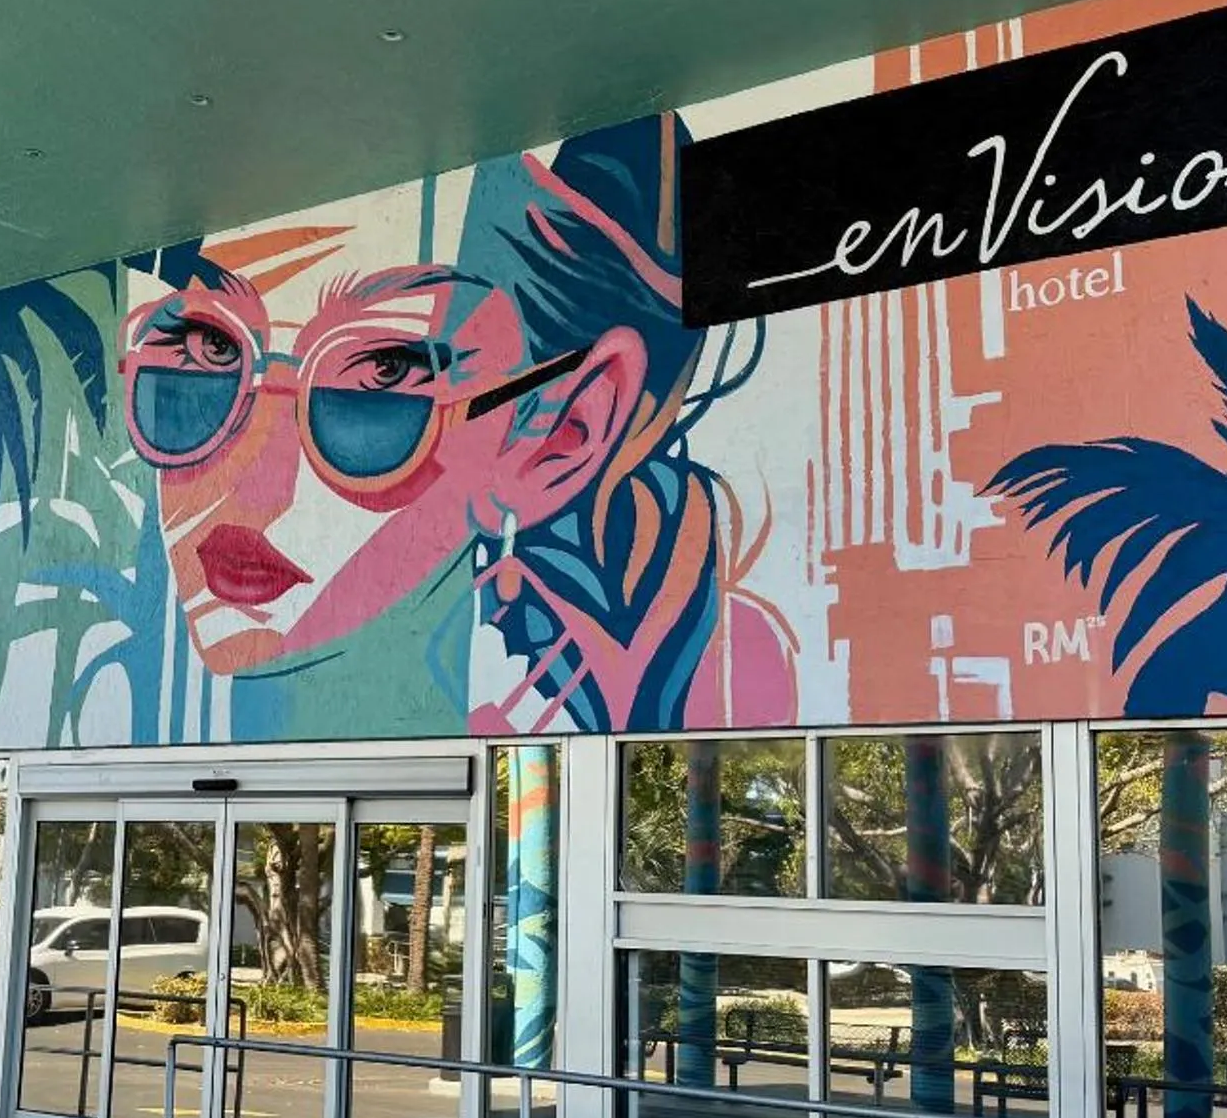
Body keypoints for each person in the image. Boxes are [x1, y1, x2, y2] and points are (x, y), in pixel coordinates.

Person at [118, 114, 793, 732]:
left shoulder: (737, 648)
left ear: (563, 435)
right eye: (209, 347)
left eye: (383, 371)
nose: (252, 483)